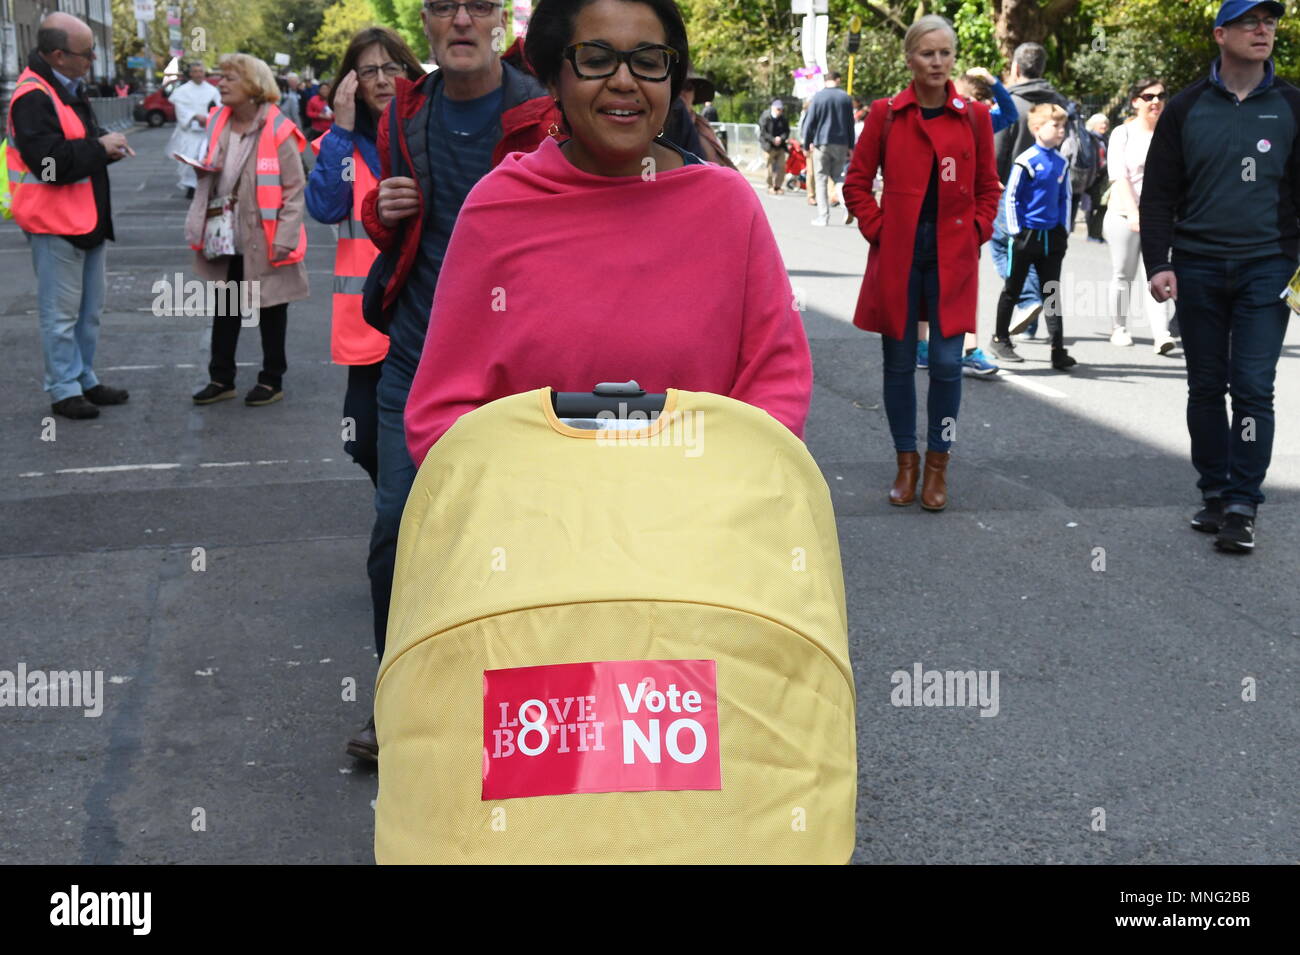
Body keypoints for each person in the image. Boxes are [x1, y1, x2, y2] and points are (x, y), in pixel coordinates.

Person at [402, 0, 811, 464]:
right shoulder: (498, 206)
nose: (623, 81)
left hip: (700, 520)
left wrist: (722, 490)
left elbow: (777, 382)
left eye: (648, 62)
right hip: (530, 521)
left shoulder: (727, 205)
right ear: (554, 78)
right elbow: (441, 410)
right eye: (596, 60)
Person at [355, 0, 562, 761]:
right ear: (427, 23)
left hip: (516, 363)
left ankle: (517, 701)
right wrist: (384, 209)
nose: (463, 21)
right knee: (398, 531)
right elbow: (398, 230)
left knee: (519, 539)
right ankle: (397, 697)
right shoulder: (406, 110)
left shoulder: (545, 109)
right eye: (447, 7)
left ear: (502, 21)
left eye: (479, 6)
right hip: (417, 354)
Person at [1142, 0, 1295, 553]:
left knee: (1253, 387)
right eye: (1251, 21)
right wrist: (1159, 263)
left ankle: (1242, 504)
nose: (1263, 30)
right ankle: (1213, 492)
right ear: (1220, 34)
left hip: (1268, 266)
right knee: (1206, 386)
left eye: (1270, 21)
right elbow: (1158, 194)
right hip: (1199, 266)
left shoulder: (1293, 106)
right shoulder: (1185, 109)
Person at [843, 14, 1000, 511]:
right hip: (900, 253)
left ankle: (938, 464)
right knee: (897, 364)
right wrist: (880, 231)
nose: (937, 62)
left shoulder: (974, 115)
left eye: (945, 53)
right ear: (910, 58)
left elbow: (987, 190)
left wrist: (977, 231)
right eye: (927, 53)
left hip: (953, 255)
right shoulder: (886, 113)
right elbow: (856, 183)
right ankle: (905, 463)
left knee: (950, 365)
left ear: (953, 58)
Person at [306, 27, 425, 494]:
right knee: (363, 439)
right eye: (367, 71)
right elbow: (326, 207)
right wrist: (339, 127)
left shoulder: (426, 136)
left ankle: (415, 520)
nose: (380, 80)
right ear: (350, 83)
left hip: (426, 314)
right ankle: (400, 506)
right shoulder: (342, 147)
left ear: (408, 74)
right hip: (368, 322)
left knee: (432, 432)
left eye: (390, 68)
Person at [8, 11, 132, 420]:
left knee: (87, 312)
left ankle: (83, 378)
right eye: (87, 53)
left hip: (83, 219)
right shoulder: (34, 95)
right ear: (59, 55)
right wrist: (101, 148)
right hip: (55, 221)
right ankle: (64, 388)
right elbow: (49, 164)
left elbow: (71, 146)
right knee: (60, 315)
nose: (93, 59)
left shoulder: (64, 87)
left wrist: (103, 146)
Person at [184, 53, 308, 407]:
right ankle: (221, 378)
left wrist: (285, 236)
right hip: (226, 233)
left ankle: (272, 379)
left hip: (266, 237)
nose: (220, 84)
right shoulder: (217, 120)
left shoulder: (278, 128)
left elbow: (294, 189)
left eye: (229, 78)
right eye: (220, 77)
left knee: (271, 308)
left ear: (254, 87)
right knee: (225, 308)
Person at [990, 103, 1077, 370]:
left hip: (1052, 237)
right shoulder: (1026, 161)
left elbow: (1065, 198)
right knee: (1013, 288)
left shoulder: (1061, 162)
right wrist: (1017, 231)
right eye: (1056, 125)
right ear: (1038, 128)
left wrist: (1063, 230)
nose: (1062, 130)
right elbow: (1012, 198)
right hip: (1026, 235)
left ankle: (1057, 349)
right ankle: (1000, 338)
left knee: (1051, 291)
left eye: (1063, 126)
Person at [1104, 79, 1175, 352]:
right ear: (1135, 101)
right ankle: (1119, 328)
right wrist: (1134, 214)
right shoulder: (1123, 133)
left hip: (1159, 218)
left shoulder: (1169, 133)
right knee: (1123, 274)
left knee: (1158, 272)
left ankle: (1161, 334)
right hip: (1125, 215)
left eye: (1160, 96)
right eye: (1148, 96)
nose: (1155, 101)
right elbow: (1118, 177)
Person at [994, 42, 1069, 184]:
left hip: (1011, 193)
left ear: (1015, 68)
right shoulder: (1060, 105)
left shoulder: (1007, 105)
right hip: (1050, 191)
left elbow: (996, 155)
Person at [804, 71, 855, 226]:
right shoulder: (845, 97)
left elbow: (810, 122)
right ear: (837, 80)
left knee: (821, 179)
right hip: (841, 143)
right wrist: (851, 146)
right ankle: (845, 202)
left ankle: (823, 216)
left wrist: (807, 144)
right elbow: (850, 124)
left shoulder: (818, 97)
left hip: (822, 143)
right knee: (839, 176)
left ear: (825, 80)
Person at [168, 61, 221, 199]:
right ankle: (191, 186)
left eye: (200, 71)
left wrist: (209, 118)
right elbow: (181, 109)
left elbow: (218, 107)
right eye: (195, 71)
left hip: (206, 132)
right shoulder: (182, 91)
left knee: (206, 158)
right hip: (190, 132)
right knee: (190, 158)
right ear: (191, 74)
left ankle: (206, 186)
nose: (198, 74)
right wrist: (194, 116)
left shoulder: (212, 90)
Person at [1084, 112, 1109, 241]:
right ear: (1094, 125)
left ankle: (1096, 232)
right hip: (1091, 176)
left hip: (1103, 177)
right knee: (1090, 207)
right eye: (1101, 123)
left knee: (1102, 206)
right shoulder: (1089, 138)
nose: (1104, 126)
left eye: (1105, 123)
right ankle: (1091, 234)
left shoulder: (1105, 139)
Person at [759, 98, 789, 195]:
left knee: (781, 167)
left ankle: (778, 186)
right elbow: (763, 132)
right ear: (773, 108)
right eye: (778, 109)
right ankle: (770, 186)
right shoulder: (765, 117)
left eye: (781, 109)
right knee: (769, 167)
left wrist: (781, 138)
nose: (780, 111)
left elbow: (787, 131)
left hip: (780, 146)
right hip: (768, 146)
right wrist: (773, 139)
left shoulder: (783, 119)